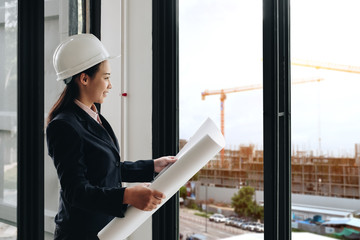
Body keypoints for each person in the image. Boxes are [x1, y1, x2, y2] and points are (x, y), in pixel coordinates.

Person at [46, 34, 176, 239]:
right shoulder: (63, 126)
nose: (110, 85)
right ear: (84, 78)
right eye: (106, 77)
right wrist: (127, 195)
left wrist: (152, 166)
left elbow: (106, 170)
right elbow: (76, 192)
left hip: (105, 230)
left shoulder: (94, 116)